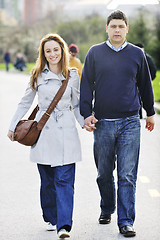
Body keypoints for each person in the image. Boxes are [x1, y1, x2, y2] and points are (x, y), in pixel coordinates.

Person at [80, 10, 155, 238]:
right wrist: (86, 114)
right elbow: (86, 85)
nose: (117, 30)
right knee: (104, 173)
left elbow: (145, 85)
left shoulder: (136, 54)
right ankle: (107, 207)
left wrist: (150, 113)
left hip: (130, 122)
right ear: (107, 28)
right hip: (102, 122)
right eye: (113, 26)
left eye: (121, 27)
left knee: (127, 175)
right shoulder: (95, 53)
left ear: (127, 29)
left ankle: (125, 221)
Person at [7, 33, 84, 239]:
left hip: (67, 131)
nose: (52, 54)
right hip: (44, 132)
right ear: (43, 53)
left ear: (63, 51)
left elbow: (77, 105)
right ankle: (51, 217)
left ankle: (64, 225)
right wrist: (13, 126)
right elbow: (25, 102)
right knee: (48, 181)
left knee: (65, 181)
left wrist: (85, 122)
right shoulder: (37, 75)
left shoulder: (73, 75)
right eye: (48, 51)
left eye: (56, 50)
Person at [135, 43, 157, 119]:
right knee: (137, 97)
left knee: (145, 95)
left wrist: (150, 79)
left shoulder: (147, 58)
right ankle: (139, 114)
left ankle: (147, 112)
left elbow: (153, 69)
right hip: (135, 82)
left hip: (146, 80)